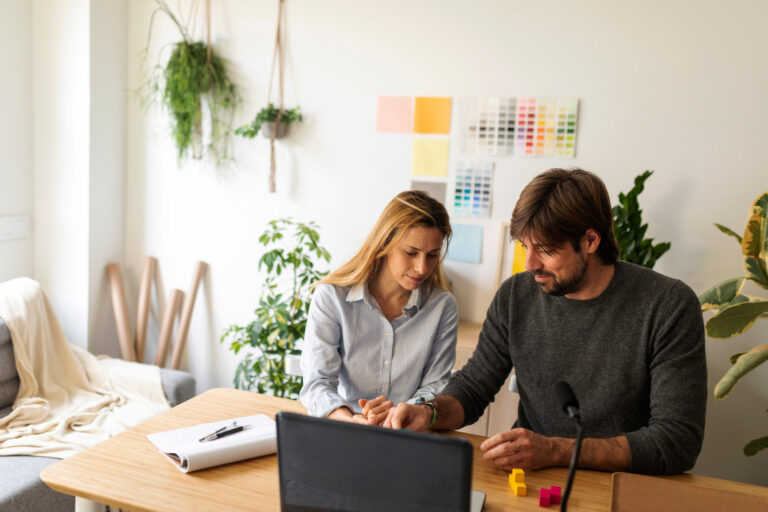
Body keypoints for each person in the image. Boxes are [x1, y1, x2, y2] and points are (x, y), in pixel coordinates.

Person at [384, 168, 707, 476]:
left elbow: (677, 442)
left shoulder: (668, 306)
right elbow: (473, 386)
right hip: (529, 478)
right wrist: (430, 412)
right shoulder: (516, 296)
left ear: (590, 241)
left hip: (621, 484)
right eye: (525, 246)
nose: (529, 264)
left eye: (545, 250)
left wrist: (554, 450)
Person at [300, 190, 458, 426]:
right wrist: (351, 419)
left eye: (432, 255)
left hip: (409, 434)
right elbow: (318, 384)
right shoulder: (332, 297)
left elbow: (435, 385)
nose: (422, 268)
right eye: (411, 253)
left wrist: (405, 414)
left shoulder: (443, 308)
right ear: (385, 242)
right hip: (344, 429)